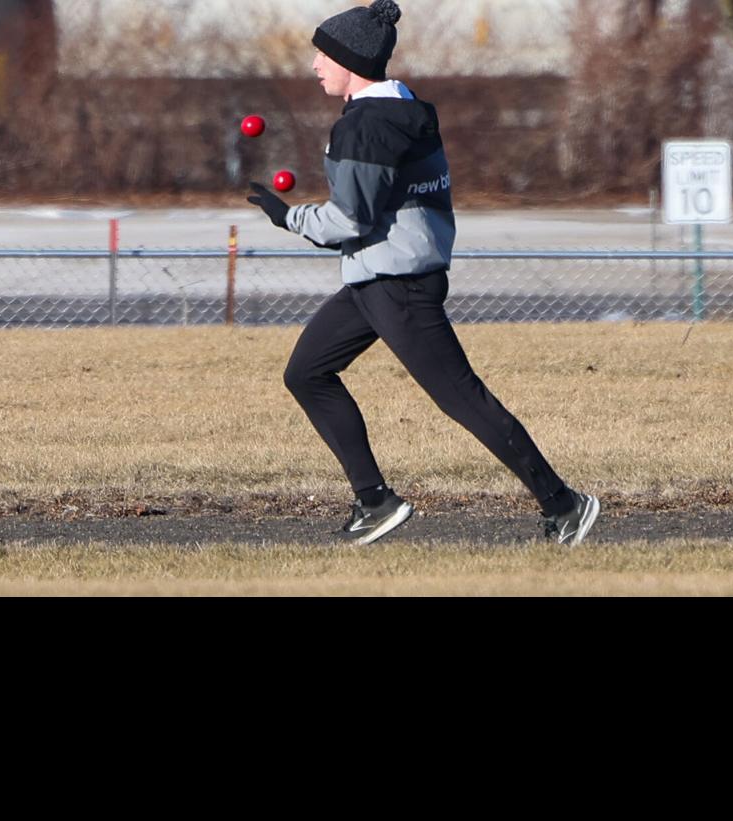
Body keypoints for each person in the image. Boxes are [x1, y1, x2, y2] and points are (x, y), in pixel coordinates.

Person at [245, 0, 599, 547]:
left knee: (462, 399)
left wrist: (287, 216)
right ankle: (375, 501)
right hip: (377, 277)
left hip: (398, 283)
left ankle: (564, 503)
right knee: (307, 373)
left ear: (351, 61)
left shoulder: (367, 125)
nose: (315, 65)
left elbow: (350, 218)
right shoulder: (398, 109)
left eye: (322, 55)